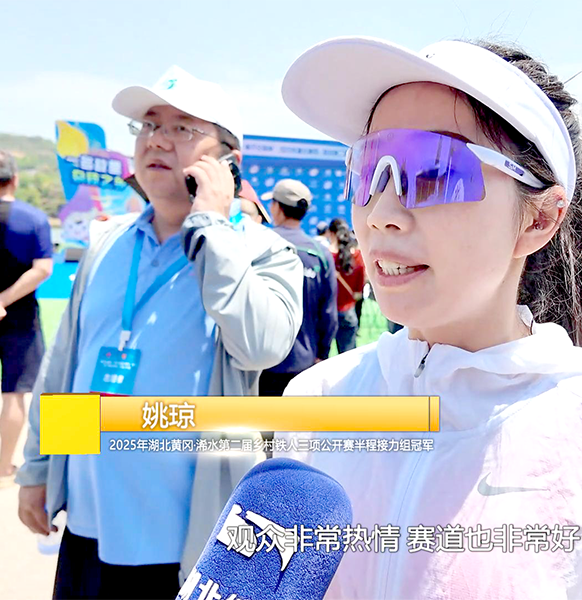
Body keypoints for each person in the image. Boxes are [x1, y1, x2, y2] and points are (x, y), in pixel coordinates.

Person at [276, 36, 582, 597]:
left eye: (435, 170)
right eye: (369, 169)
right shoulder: (317, 401)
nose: (380, 213)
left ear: (539, 219)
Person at [15, 66, 303, 599]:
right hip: (88, 526)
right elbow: (67, 367)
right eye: (148, 126)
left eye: (182, 128)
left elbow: (262, 346)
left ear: (228, 161)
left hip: (180, 546)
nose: (158, 140)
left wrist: (213, 227)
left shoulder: (262, 252)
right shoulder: (107, 242)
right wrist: (39, 468)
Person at [0, 150, 54, 488]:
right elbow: (43, 269)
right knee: (14, 394)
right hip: (20, 317)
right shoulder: (33, 219)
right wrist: (4, 299)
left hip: (17, 316)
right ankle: (3, 466)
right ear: (15, 180)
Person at [259, 179, 338, 395]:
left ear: (276, 207)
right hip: (304, 362)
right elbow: (329, 313)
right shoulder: (320, 253)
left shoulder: (260, 243)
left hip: (261, 361)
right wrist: (322, 353)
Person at [326, 217, 365, 353]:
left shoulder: (326, 256)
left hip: (328, 313)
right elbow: (358, 293)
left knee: (321, 358)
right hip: (348, 311)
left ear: (331, 233)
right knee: (349, 357)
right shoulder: (358, 256)